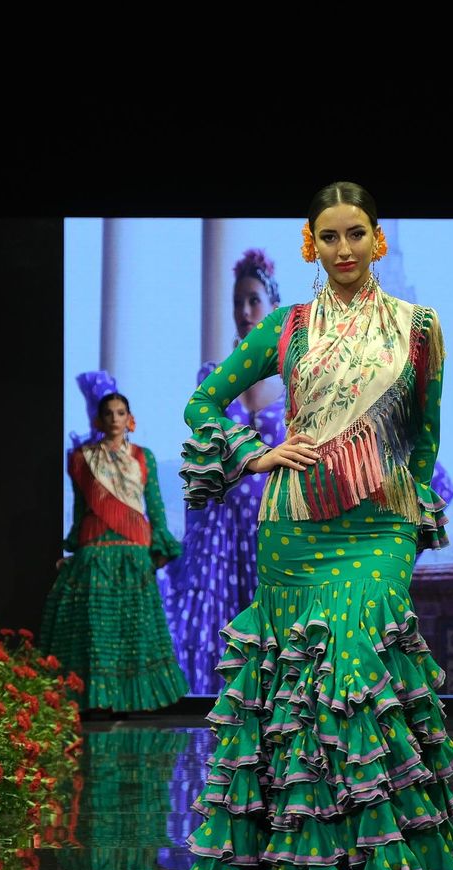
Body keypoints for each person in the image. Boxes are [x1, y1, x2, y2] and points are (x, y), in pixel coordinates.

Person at [177, 182, 453, 870]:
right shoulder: (286, 327)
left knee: (350, 667)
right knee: (311, 690)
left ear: (378, 239)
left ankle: (378, 866)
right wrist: (256, 452)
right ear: (312, 244)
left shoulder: (417, 327)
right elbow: (203, 402)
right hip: (295, 527)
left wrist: (411, 515)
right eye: (329, 236)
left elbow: (427, 433)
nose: (344, 248)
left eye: (356, 233)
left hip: (379, 527)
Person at [164, 249, 289, 692]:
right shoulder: (214, 377)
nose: (244, 312)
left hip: (273, 533)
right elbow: (199, 455)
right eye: (238, 302)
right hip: (220, 538)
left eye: (253, 300)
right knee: (219, 647)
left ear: (274, 307)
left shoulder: (296, 384)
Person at [41, 391, 187, 713]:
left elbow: (156, 506)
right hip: (95, 549)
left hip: (134, 550)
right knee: (95, 628)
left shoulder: (143, 457)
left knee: (134, 628)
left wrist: (162, 547)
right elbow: (81, 508)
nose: (115, 419)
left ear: (129, 418)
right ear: (100, 419)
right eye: (109, 413)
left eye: (121, 413)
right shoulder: (83, 458)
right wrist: (74, 549)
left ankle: (132, 701)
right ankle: (95, 699)